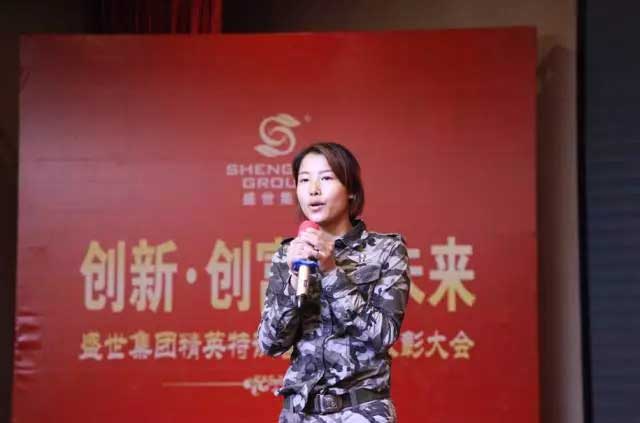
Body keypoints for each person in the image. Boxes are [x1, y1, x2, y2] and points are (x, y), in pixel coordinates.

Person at [258, 142, 411, 422]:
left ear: (351, 190)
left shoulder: (386, 250)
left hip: (361, 411)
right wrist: (293, 279)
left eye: (326, 178)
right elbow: (271, 343)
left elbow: (383, 336)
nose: (313, 189)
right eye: (304, 180)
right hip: (299, 413)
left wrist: (331, 272)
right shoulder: (289, 253)